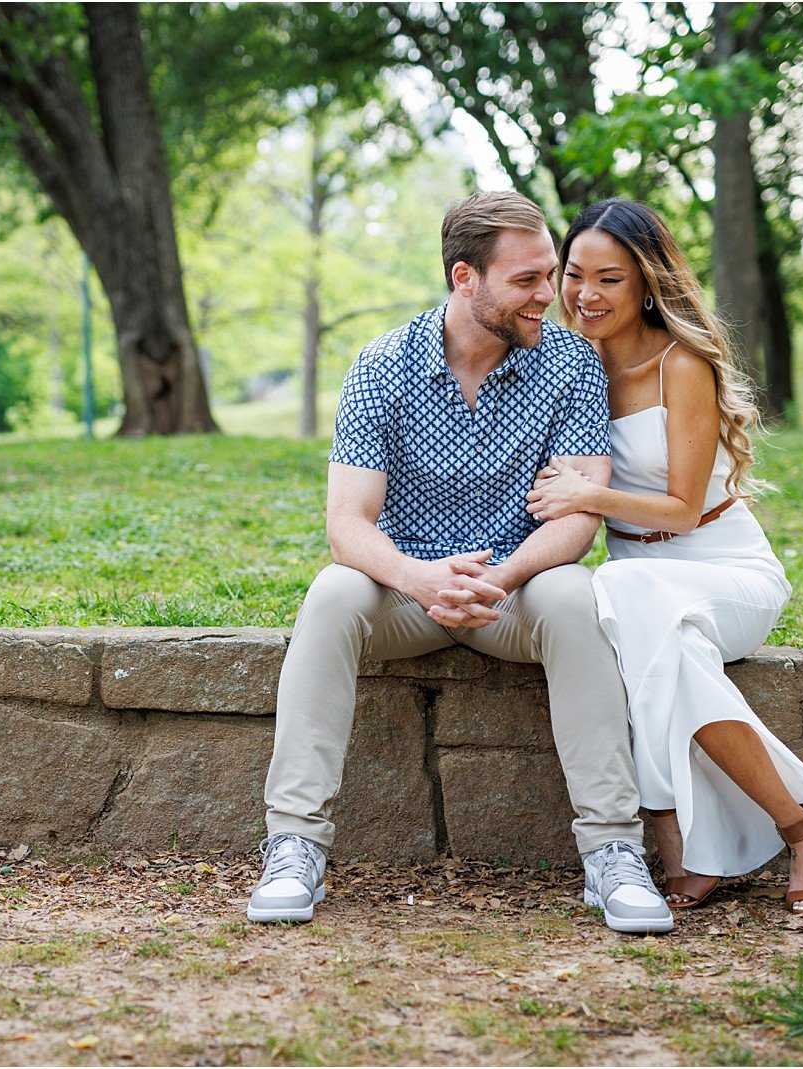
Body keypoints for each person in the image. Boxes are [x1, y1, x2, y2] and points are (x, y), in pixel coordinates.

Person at [248, 191, 674, 935]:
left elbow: (576, 518)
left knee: (575, 593)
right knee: (331, 592)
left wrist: (501, 577)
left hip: (514, 596)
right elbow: (347, 525)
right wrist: (420, 578)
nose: (553, 294)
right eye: (527, 280)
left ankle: (612, 852)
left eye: (551, 273)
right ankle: (294, 846)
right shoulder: (383, 365)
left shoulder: (570, 363)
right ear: (464, 278)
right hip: (406, 597)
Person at [526, 198, 803, 918]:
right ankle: (799, 830)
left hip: (724, 569)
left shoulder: (682, 364)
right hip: (642, 583)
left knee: (625, 591)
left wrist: (588, 496)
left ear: (646, 284)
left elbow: (684, 509)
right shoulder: (567, 363)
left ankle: (680, 839)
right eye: (574, 274)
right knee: (656, 637)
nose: (585, 294)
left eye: (609, 279)